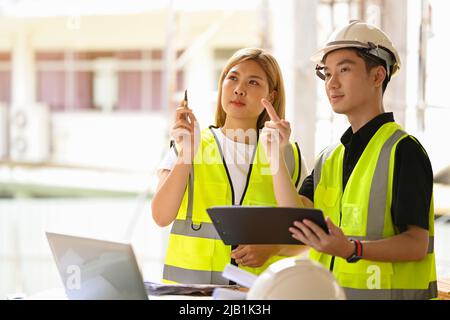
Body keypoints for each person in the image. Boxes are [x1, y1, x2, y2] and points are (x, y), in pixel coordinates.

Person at [261, 21, 437, 300]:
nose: (332, 83)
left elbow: (416, 245)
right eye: (327, 73)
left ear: (378, 76)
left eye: (344, 69)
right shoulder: (329, 158)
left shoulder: (404, 151)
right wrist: (275, 156)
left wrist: (352, 249)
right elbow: (295, 221)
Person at [152, 48, 308, 284]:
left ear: (272, 96)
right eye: (232, 78)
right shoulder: (188, 145)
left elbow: (304, 235)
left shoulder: (289, 155)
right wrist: (186, 154)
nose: (239, 89)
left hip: (257, 296)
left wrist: (273, 247)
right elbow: (161, 216)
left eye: (253, 82)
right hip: (190, 297)